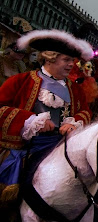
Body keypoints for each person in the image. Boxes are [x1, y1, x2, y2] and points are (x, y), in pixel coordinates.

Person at [0, 29, 92, 208]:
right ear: (50, 57)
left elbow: (86, 112)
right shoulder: (21, 81)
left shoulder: (75, 89)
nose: (71, 65)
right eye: (66, 60)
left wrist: (74, 123)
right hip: (26, 146)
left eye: (72, 61)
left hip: (60, 145)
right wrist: (31, 121)